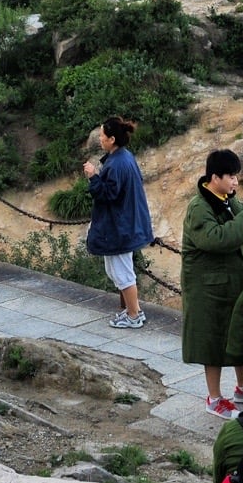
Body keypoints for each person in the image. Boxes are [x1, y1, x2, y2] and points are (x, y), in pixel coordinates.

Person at [181, 149, 243, 419]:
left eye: (236, 176)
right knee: (212, 342)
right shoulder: (199, 207)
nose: (235, 182)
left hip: (228, 282)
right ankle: (214, 398)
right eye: (231, 176)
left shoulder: (224, 199)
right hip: (206, 288)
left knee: (237, 336)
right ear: (214, 177)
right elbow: (216, 238)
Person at [83, 117, 155, 329]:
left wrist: (93, 177)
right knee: (118, 270)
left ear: (112, 139)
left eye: (103, 136)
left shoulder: (116, 164)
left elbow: (107, 194)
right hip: (127, 224)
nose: (100, 139)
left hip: (120, 227)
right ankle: (135, 310)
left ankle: (133, 315)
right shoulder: (124, 158)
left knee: (122, 272)